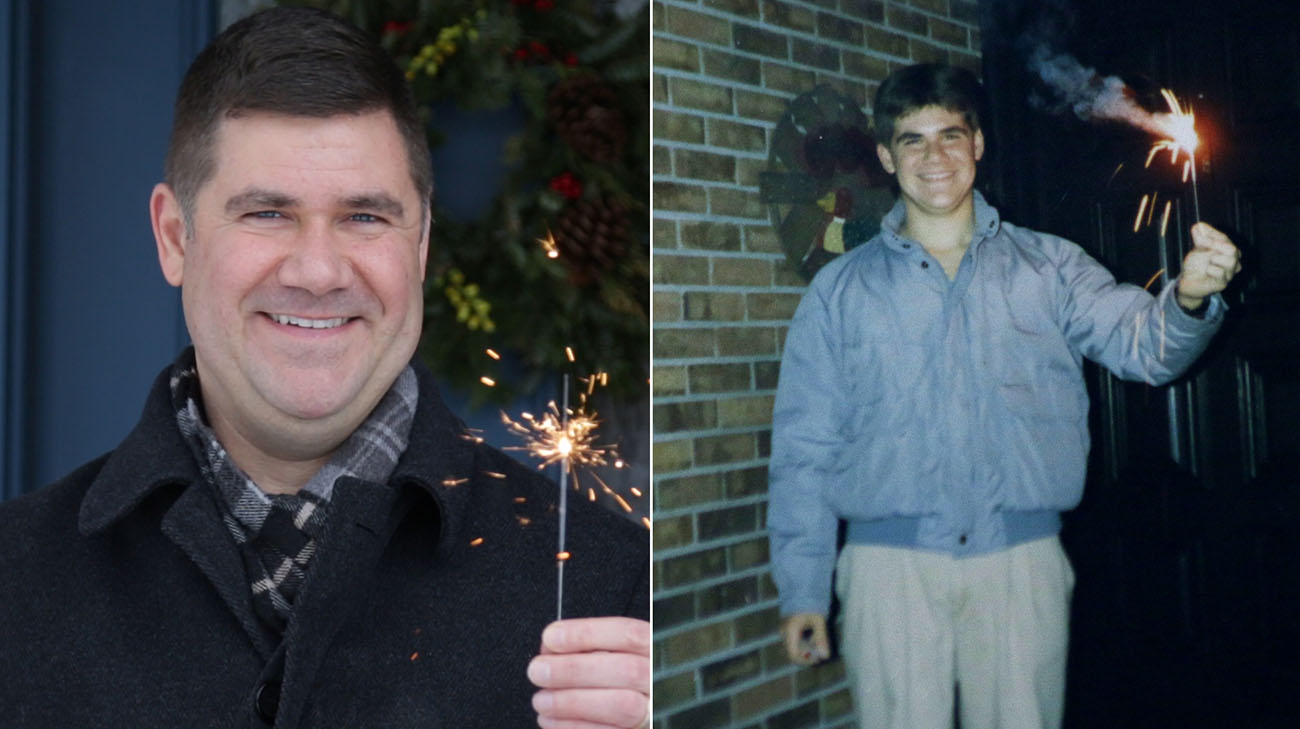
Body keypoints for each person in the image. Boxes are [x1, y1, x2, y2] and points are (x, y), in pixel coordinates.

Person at [0, 7, 649, 729]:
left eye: (365, 217)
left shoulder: (609, 588)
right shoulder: (13, 582)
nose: (317, 271)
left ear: (423, 242)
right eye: (267, 213)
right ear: (175, 237)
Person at [768, 63, 1241, 729]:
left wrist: (1190, 297)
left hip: (1021, 568)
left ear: (979, 144)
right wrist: (803, 589)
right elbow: (803, 450)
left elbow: (1145, 347)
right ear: (884, 156)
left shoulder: (1051, 266)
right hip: (889, 573)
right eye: (913, 140)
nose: (935, 156)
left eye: (951, 135)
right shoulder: (839, 293)